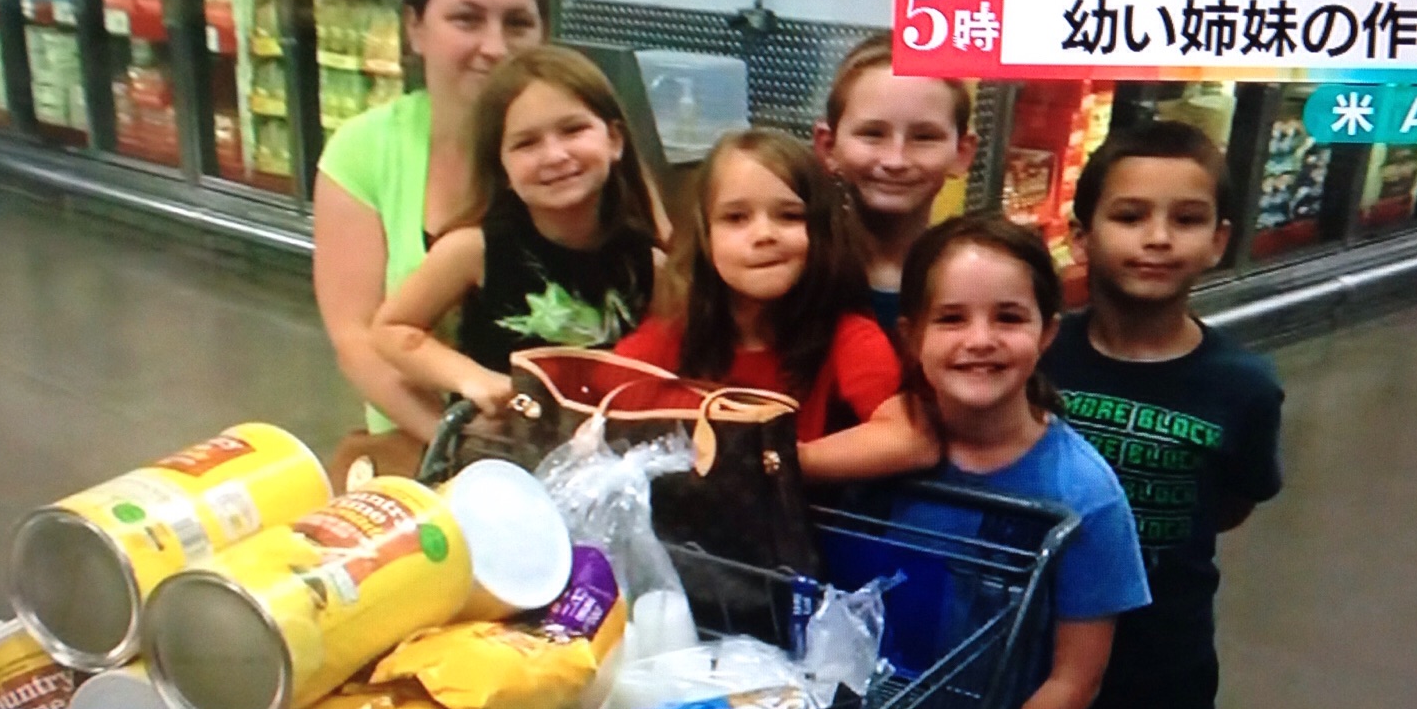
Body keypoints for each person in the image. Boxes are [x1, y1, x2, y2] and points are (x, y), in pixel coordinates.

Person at [1022, 120, 1285, 709]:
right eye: (1130, 215)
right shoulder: (1035, 355)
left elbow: (1232, 503)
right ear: (1081, 232)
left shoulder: (1243, 386)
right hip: (1038, 677)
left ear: (1219, 239)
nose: (1158, 237)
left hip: (1164, 682)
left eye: (1186, 218)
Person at [312, 0, 666, 484]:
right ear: (415, 28)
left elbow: (668, 297)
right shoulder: (364, 151)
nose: (494, 46)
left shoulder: (600, 173)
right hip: (434, 455)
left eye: (517, 22)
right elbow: (360, 340)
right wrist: (468, 448)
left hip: (592, 467)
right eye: (466, 18)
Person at [889, 215, 1150, 709]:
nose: (980, 340)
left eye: (1008, 318)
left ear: (1047, 332)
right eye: (951, 318)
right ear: (912, 335)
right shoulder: (880, 455)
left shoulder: (1084, 494)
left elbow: (1075, 679)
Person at [371, 46, 662, 418]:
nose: (555, 155)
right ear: (501, 167)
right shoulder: (472, 250)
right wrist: (472, 378)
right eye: (527, 143)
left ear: (615, 140)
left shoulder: (651, 265)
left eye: (573, 130)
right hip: (496, 447)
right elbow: (391, 329)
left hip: (610, 450)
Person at [615, 128, 917, 456]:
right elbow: (601, 390)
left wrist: (781, 461)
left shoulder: (847, 335)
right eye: (736, 218)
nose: (764, 234)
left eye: (789, 216)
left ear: (822, 232)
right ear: (704, 237)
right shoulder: (675, 330)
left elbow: (911, 440)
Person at [813, 33, 977, 334]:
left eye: (924, 137)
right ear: (828, 146)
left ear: (962, 153)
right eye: (872, 134)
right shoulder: (795, 273)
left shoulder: (977, 285)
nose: (896, 160)